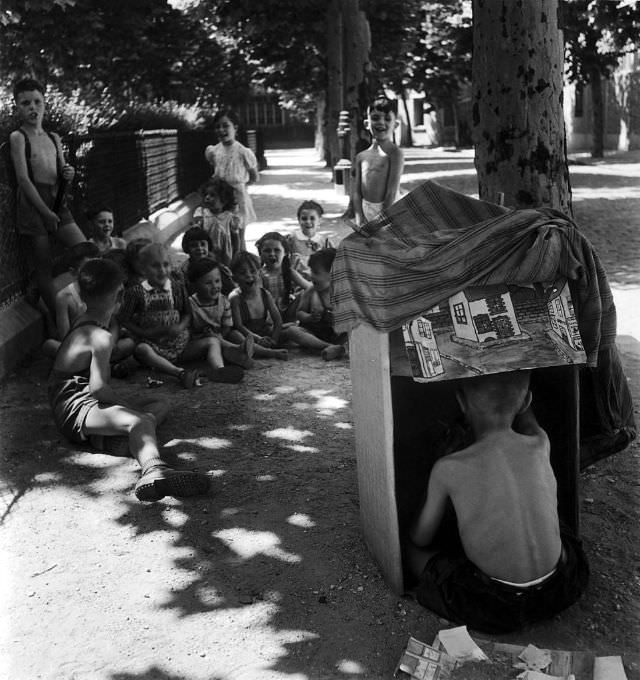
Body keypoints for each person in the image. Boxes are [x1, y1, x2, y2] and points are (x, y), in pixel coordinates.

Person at [406, 370, 589, 634]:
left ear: (460, 401)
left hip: (492, 605)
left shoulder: (448, 467)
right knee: (550, 519)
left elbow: (420, 537)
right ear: (526, 401)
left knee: (412, 551)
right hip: (564, 584)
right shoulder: (540, 443)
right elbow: (527, 416)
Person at [48, 258, 210, 502]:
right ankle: (154, 470)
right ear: (117, 294)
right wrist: (131, 410)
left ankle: (117, 443)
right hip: (75, 408)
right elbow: (99, 388)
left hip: (76, 404)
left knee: (160, 404)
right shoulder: (99, 336)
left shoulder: (85, 322)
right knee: (141, 419)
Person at [10, 78, 87, 319]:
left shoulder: (54, 137)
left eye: (37, 102)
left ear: (45, 104)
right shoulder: (18, 137)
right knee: (42, 263)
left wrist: (70, 174)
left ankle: (89, 307)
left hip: (57, 200)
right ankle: (60, 319)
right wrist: (45, 212)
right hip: (33, 204)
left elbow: (63, 173)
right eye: (25, 103)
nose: (32, 108)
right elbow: (23, 178)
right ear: (17, 107)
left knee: (86, 251)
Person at [118, 243, 199, 389]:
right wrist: (145, 333)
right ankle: (179, 373)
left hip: (179, 343)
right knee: (141, 350)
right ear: (143, 269)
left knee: (210, 342)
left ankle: (227, 361)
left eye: (166, 265)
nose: (162, 270)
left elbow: (187, 314)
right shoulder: (135, 293)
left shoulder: (177, 287)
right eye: (155, 266)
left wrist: (180, 327)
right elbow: (123, 319)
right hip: (152, 344)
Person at [181, 258, 252, 383]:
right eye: (208, 283)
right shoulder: (190, 304)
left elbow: (226, 327)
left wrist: (219, 336)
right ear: (195, 285)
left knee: (231, 335)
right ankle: (221, 369)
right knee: (213, 341)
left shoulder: (223, 301)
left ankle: (243, 354)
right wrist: (210, 336)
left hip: (217, 338)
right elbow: (186, 333)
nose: (215, 286)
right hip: (195, 344)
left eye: (217, 281)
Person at [204, 109, 259, 251]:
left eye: (225, 126)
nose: (221, 130)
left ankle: (242, 265)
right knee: (219, 233)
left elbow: (254, 176)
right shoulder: (213, 151)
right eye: (217, 127)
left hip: (236, 198)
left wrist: (241, 188)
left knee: (237, 235)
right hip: (219, 199)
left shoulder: (243, 152)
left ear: (235, 127)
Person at [286, 248, 347, 361]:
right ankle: (329, 347)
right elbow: (299, 313)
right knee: (292, 331)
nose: (311, 275)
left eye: (316, 272)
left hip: (335, 335)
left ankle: (339, 346)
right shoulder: (311, 291)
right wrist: (309, 317)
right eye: (311, 271)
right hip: (313, 334)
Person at [353, 94, 404, 227]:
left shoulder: (395, 153)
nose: (381, 122)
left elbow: (392, 191)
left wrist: (383, 220)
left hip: (388, 211)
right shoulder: (361, 157)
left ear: (396, 124)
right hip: (366, 210)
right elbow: (357, 192)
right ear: (366, 123)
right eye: (375, 118)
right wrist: (359, 217)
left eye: (387, 119)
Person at [229, 252, 289, 361]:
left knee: (293, 330)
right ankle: (270, 353)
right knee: (235, 335)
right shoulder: (235, 298)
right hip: (248, 337)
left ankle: (324, 345)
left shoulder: (265, 294)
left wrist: (273, 340)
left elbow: (278, 321)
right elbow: (239, 326)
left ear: (259, 273)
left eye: (253, 271)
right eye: (243, 273)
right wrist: (258, 339)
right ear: (234, 278)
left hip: (265, 334)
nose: (248, 275)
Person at [255, 231, 311, 323]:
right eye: (267, 250)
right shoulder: (259, 274)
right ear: (260, 253)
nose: (272, 254)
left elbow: (309, 288)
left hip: (288, 312)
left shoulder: (288, 272)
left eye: (277, 250)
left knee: (305, 293)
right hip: (268, 315)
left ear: (285, 253)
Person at [192, 177, 238, 262]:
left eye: (212, 195)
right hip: (206, 252)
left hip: (225, 255)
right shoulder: (201, 213)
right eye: (206, 194)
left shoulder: (229, 218)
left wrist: (235, 255)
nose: (207, 197)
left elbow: (235, 239)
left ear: (224, 200)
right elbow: (196, 233)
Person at [179, 226, 233, 295]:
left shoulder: (218, 267)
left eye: (203, 244)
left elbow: (230, 290)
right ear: (187, 248)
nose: (199, 248)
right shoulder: (182, 273)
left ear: (208, 246)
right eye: (194, 245)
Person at [287, 200, 335, 275]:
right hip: (297, 280)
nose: (308, 221)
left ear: (319, 220)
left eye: (312, 218)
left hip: (318, 281)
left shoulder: (325, 242)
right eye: (304, 218)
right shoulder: (291, 239)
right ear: (298, 220)